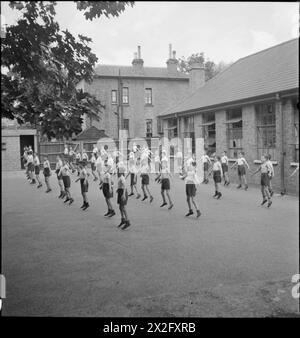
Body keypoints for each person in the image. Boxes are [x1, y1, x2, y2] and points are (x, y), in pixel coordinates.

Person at [116, 164, 131, 229]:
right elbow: (121, 184)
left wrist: (123, 194)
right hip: (120, 191)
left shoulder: (121, 177)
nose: (117, 172)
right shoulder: (120, 177)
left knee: (123, 207)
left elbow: (125, 186)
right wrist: (118, 189)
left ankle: (127, 221)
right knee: (120, 207)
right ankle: (123, 219)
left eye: (118, 171)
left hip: (123, 192)